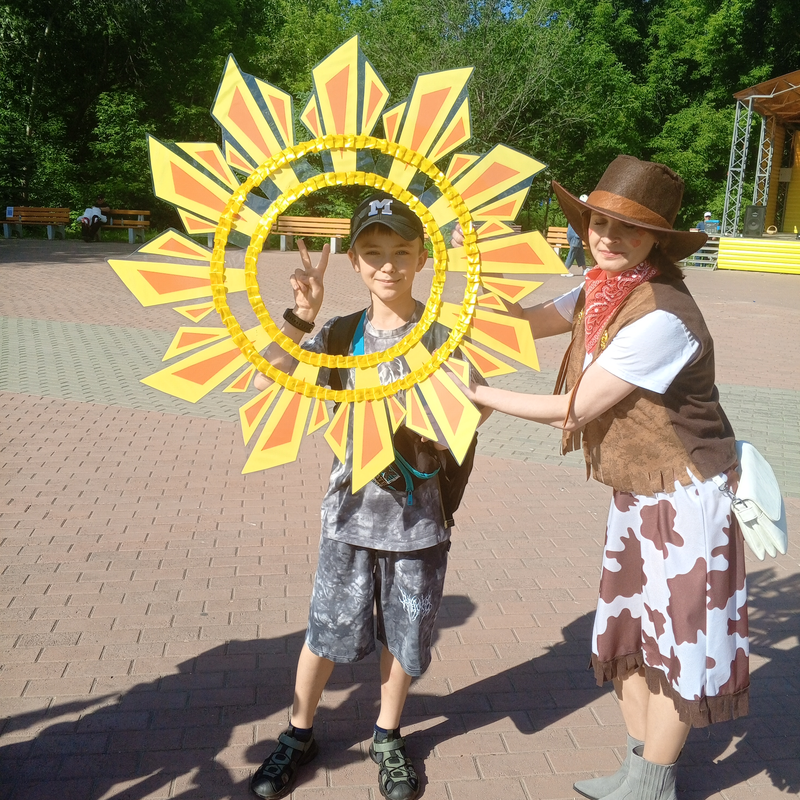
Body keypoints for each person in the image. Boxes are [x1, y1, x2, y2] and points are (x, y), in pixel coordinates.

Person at [460, 156, 748, 800]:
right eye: (599, 223)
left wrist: (480, 394)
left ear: (657, 241)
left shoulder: (663, 315)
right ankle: (639, 769)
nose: (609, 238)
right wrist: (476, 268)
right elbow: (522, 323)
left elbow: (577, 407)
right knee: (631, 633)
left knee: (678, 642)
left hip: (687, 496)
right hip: (639, 491)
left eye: (629, 229)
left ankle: (652, 784)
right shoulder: (603, 289)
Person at [249, 194, 486, 800]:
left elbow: (474, 411)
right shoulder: (339, 333)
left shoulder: (441, 333)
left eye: (401, 252)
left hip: (418, 520)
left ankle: (387, 734)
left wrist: (447, 418)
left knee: (404, 634)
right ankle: (299, 733)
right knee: (325, 630)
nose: (388, 265)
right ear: (354, 261)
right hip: (348, 516)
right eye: (373, 252)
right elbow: (265, 376)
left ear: (423, 258)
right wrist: (301, 316)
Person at [563, 194, 589, 275]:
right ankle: (565, 270)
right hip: (576, 236)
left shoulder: (574, 210)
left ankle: (584, 269)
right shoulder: (582, 212)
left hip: (571, 235)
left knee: (580, 253)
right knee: (572, 253)